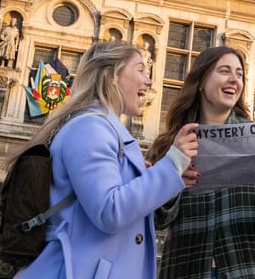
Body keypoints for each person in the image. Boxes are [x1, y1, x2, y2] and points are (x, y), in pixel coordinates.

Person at [15, 41, 197, 279]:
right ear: (110, 75)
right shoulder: (90, 127)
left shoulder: (99, 128)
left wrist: (161, 178)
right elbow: (109, 211)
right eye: (140, 70)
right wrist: (171, 163)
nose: (149, 81)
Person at [147, 46, 255, 279]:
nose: (234, 80)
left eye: (239, 74)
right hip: (188, 269)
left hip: (252, 269)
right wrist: (171, 181)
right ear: (201, 80)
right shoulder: (171, 144)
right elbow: (156, 220)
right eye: (224, 71)